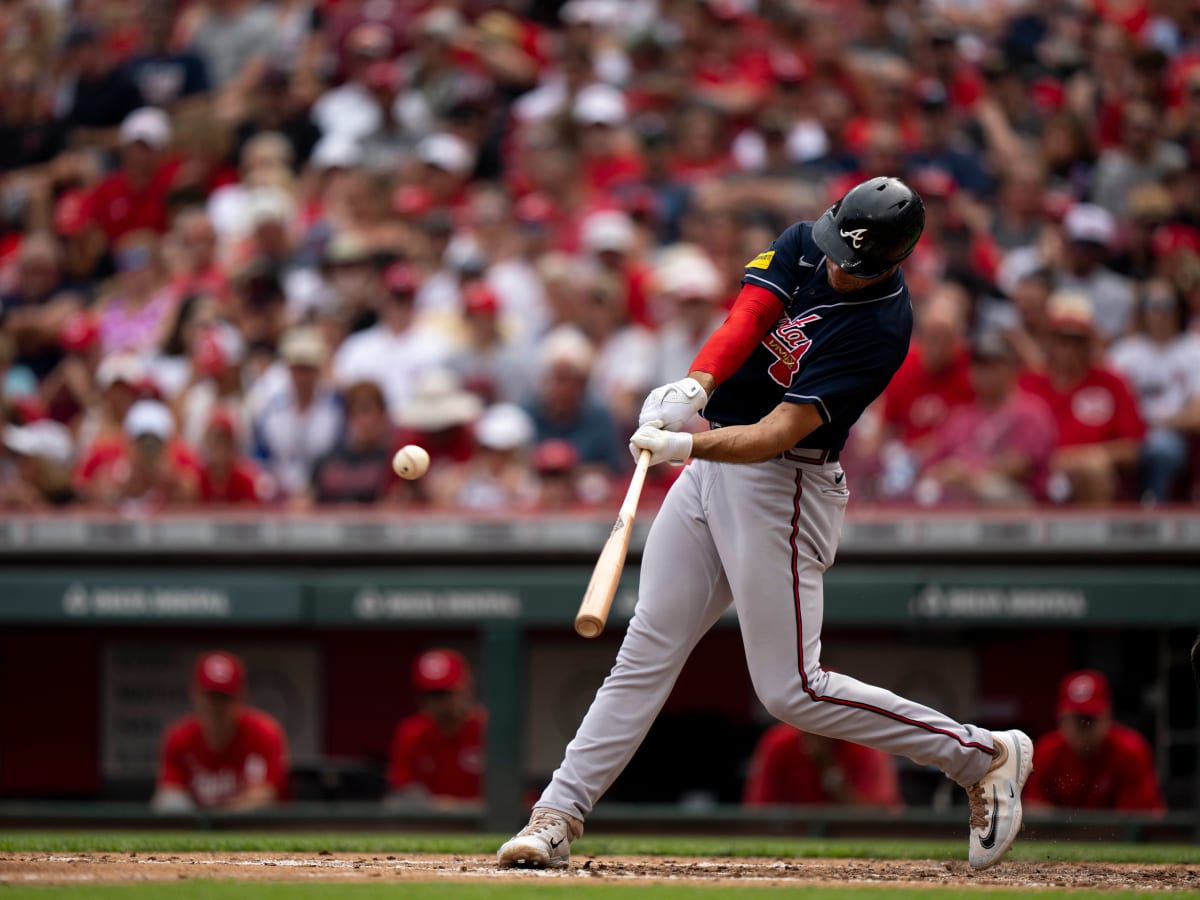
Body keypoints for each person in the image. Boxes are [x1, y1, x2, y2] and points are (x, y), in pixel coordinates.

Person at [497, 178, 1032, 872]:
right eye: (839, 247)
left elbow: (779, 430)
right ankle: (556, 816)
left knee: (792, 689)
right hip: (715, 469)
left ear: (893, 262)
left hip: (786, 482)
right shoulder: (808, 241)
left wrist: (686, 445)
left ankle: (981, 754)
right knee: (645, 650)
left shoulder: (880, 327)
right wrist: (696, 387)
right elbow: (749, 315)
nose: (839, 263)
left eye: (856, 260)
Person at [913, 331, 1057, 507]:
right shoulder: (960, 417)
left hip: (1017, 501)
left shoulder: (1030, 411)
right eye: (979, 365)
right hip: (959, 496)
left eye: (992, 365)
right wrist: (940, 473)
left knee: (989, 488)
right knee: (924, 489)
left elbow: (1021, 465)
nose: (984, 372)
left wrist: (968, 473)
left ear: (1010, 368)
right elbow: (933, 462)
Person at [153, 650, 290, 812]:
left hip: (251, 829)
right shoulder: (179, 737)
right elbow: (170, 794)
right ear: (194, 694)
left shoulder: (264, 732)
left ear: (241, 697)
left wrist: (215, 820)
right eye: (210, 696)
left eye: (223, 697)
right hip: (198, 831)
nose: (215, 706)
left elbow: (266, 795)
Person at [1025, 670, 1164, 812]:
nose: (1083, 727)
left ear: (1108, 717)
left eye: (1090, 719)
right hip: (1064, 835)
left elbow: (1140, 818)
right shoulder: (1047, 750)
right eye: (1076, 719)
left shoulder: (1130, 750)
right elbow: (1035, 811)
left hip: (1116, 835)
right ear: (1061, 719)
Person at [386, 649, 486, 809]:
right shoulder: (411, 731)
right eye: (429, 694)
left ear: (466, 689)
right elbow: (402, 787)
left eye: (443, 693)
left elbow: (509, 796)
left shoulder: (488, 729)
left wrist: (456, 806)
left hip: (484, 825)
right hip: (430, 826)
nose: (437, 703)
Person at [743, 724, 902, 809]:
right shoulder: (778, 742)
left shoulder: (865, 743)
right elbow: (758, 809)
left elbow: (885, 816)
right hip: (793, 836)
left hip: (850, 838)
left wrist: (827, 765)